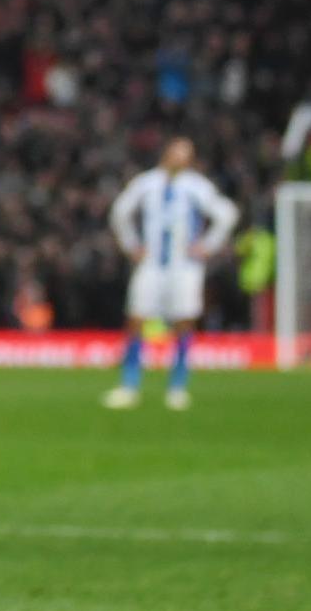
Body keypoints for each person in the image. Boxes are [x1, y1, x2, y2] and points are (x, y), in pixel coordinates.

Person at [101, 137, 239, 411]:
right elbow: (119, 212)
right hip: (151, 263)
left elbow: (227, 214)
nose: (180, 158)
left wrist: (207, 245)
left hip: (184, 265)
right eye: (177, 152)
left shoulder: (197, 186)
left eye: (186, 154)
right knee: (136, 319)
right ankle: (129, 385)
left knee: (184, 321)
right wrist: (131, 245)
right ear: (166, 153)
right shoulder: (146, 183)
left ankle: (177, 387)